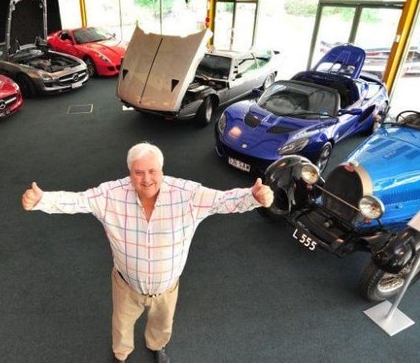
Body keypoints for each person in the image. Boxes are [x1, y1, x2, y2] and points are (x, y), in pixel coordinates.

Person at [21, 142, 274, 363]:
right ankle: (121, 354)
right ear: (130, 173)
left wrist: (253, 197)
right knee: (121, 326)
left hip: (167, 288)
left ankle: (157, 346)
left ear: (162, 170)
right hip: (126, 285)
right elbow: (78, 201)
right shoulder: (110, 195)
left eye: (152, 171)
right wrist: (42, 200)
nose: (146, 179)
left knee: (162, 325)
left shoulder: (188, 195)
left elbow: (223, 200)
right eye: (138, 172)